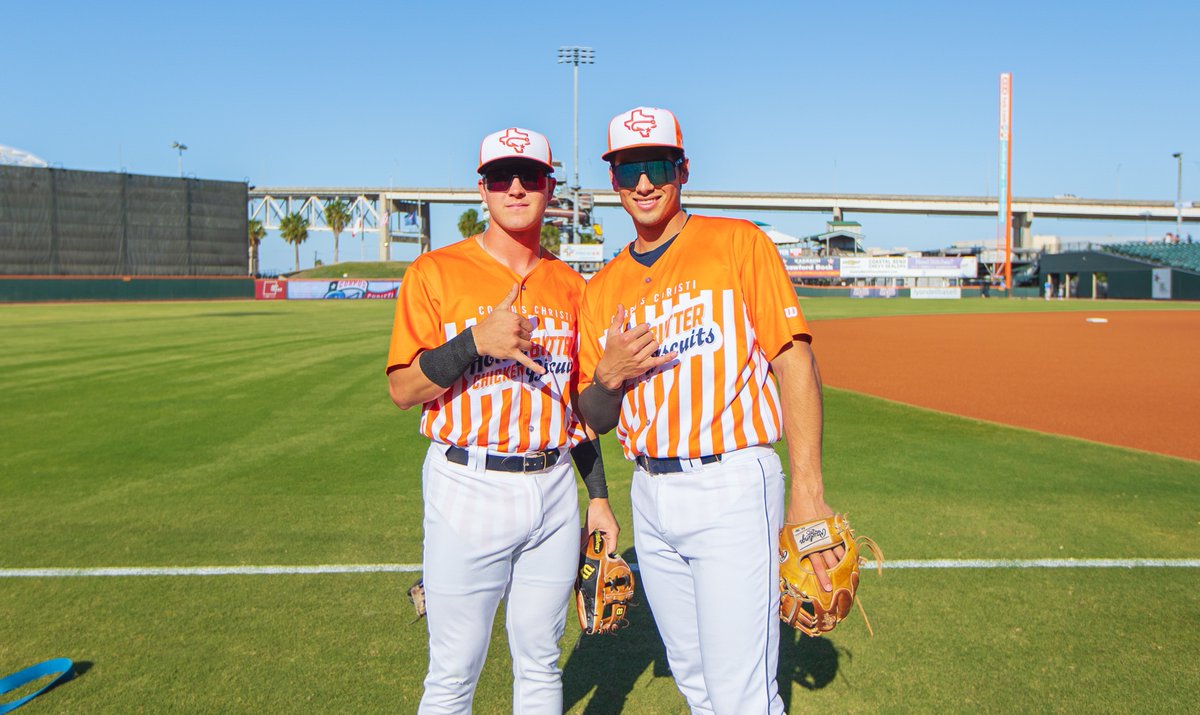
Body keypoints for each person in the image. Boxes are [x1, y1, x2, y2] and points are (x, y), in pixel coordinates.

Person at [576, 106, 842, 715]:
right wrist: (608, 376)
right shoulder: (603, 287)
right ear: (613, 181)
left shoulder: (737, 243)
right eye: (628, 168)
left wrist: (808, 490)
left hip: (731, 484)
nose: (644, 183)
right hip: (650, 492)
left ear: (683, 169)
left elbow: (792, 360)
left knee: (741, 695)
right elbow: (592, 415)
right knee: (696, 682)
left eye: (657, 165)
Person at [386, 126, 618, 715]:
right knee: (455, 668)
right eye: (500, 177)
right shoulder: (435, 273)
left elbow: (576, 404)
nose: (515, 188)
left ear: (549, 189)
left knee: (540, 660)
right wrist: (473, 341)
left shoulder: (571, 286)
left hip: (554, 487)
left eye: (530, 177)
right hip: (468, 483)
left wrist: (597, 496)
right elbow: (402, 388)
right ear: (482, 190)